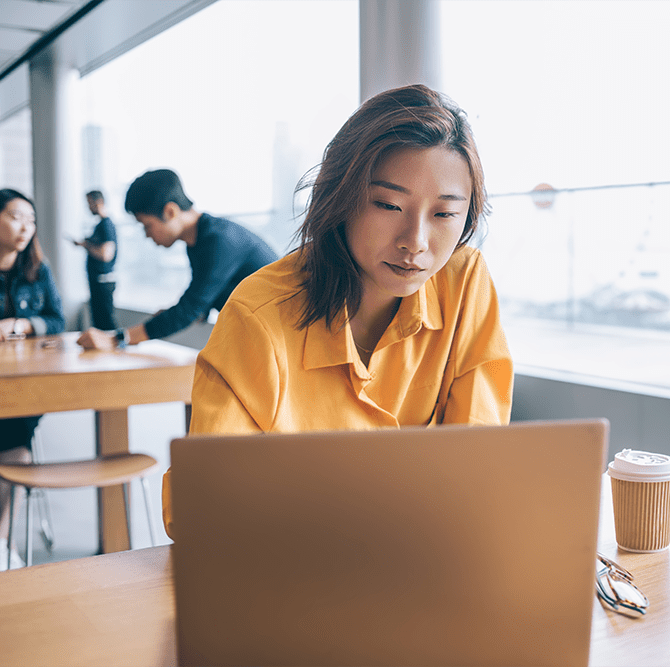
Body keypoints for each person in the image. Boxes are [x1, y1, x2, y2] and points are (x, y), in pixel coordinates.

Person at [161, 84, 514, 538]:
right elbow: (202, 506)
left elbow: (478, 457)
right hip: (297, 571)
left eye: (445, 214)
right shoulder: (259, 316)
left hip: (426, 559)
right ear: (339, 197)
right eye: (388, 205)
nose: (416, 242)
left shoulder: (464, 280)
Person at [76, 169, 277, 350]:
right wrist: (172, 316)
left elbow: (190, 308)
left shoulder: (219, 240)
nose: (147, 235)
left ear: (170, 212)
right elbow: (201, 303)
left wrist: (116, 339)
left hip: (283, 340)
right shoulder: (198, 242)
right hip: (262, 339)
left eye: (147, 225)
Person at [0, 188, 65, 569]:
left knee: (15, 434)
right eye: (15, 216)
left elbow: (58, 320)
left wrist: (25, 323)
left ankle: (2, 540)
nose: (25, 227)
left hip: (23, 387)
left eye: (31, 219)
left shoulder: (38, 269)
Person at [71, 190, 117, 330]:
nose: (88, 207)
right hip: (98, 281)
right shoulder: (100, 225)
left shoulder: (106, 224)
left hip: (103, 281)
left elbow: (105, 254)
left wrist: (86, 245)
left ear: (97, 202)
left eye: (89, 203)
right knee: (99, 322)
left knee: (105, 323)